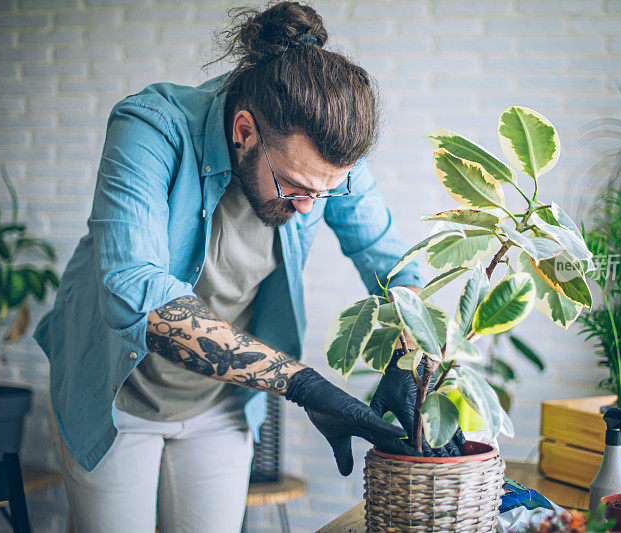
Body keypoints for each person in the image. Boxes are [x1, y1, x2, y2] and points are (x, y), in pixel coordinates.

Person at [33, 2, 461, 532]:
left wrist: (409, 355)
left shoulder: (322, 160)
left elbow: (388, 258)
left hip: (220, 401)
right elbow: (132, 291)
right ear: (244, 131)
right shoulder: (151, 126)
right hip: (114, 394)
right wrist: (303, 384)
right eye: (297, 187)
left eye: (327, 189)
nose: (311, 203)